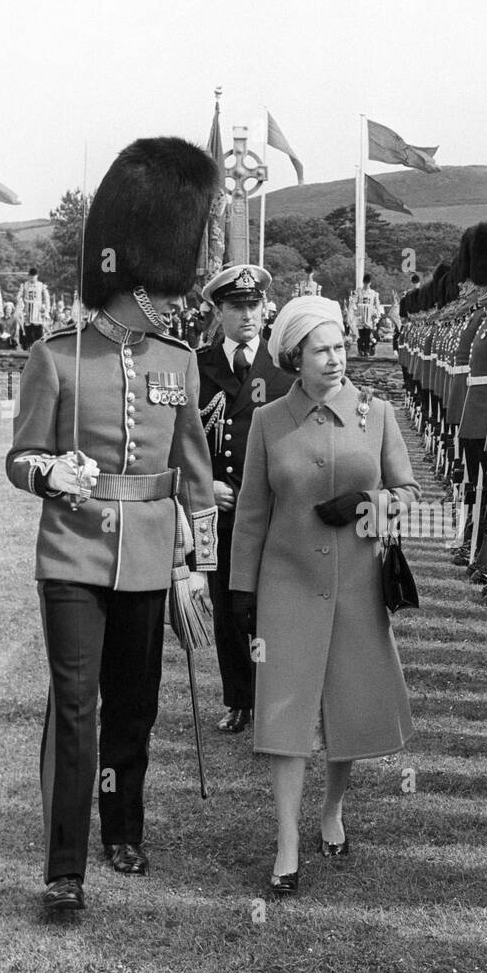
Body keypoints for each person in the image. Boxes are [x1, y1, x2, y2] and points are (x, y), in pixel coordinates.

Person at [6, 136, 220, 913]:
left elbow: (193, 474)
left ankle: (121, 824)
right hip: (71, 552)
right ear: (135, 274)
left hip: (151, 556)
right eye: (166, 285)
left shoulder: (178, 361)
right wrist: (49, 471)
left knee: (135, 705)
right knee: (74, 703)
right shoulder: (55, 356)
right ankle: (65, 867)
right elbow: (20, 455)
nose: (177, 298)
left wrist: (197, 563)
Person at [229, 295, 419, 897]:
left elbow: (412, 493)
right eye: (322, 350)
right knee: (284, 712)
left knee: (349, 708)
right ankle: (286, 842)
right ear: (295, 356)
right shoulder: (267, 422)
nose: (336, 359)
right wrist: (241, 590)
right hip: (286, 584)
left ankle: (332, 809)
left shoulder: (378, 413)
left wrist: (373, 504)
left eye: (340, 346)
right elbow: (252, 515)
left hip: (358, 585)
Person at [197, 263, 295, 733]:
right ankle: (239, 698)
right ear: (218, 311)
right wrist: (203, 486)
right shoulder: (198, 365)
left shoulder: (283, 366)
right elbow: (181, 440)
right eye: (236, 307)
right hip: (220, 508)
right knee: (228, 604)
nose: (248, 315)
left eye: (254, 305)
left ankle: (277, 697)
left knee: (273, 604)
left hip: (273, 508)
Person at [16, 267, 51, 348]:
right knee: (27, 328)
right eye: (31, 276)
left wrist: (46, 310)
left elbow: (47, 298)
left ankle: (38, 347)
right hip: (27, 309)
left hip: (37, 310)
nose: (32, 278)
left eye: (34, 276)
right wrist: (21, 303)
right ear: (28, 276)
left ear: (37, 276)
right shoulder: (24, 285)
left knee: (38, 329)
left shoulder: (41, 285)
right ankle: (27, 346)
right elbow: (19, 296)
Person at [355, 273, 382, 358]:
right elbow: (354, 304)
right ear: (363, 282)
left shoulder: (373, 293)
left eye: (368, 283)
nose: (366, 285)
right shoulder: (358, 292)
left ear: (370, 283)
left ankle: (367, 350)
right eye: (365, 283)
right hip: (360, 316)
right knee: (361, 334)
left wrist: (377, 315)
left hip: (369, 316)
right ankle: (361, 349)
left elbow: (377, 305)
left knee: (367, 334)